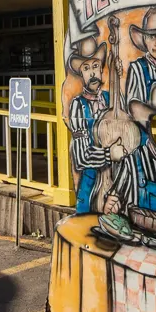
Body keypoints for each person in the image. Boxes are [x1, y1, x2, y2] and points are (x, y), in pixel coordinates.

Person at [65, 37, 112, 214]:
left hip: (112, 181)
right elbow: (82, 156)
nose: (92, 73)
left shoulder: (110, 99)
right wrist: (109, 154)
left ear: (101, 69)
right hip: (90, 184)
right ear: (81, 75)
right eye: (86, 68)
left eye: (94, 66)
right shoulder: (78, 105)